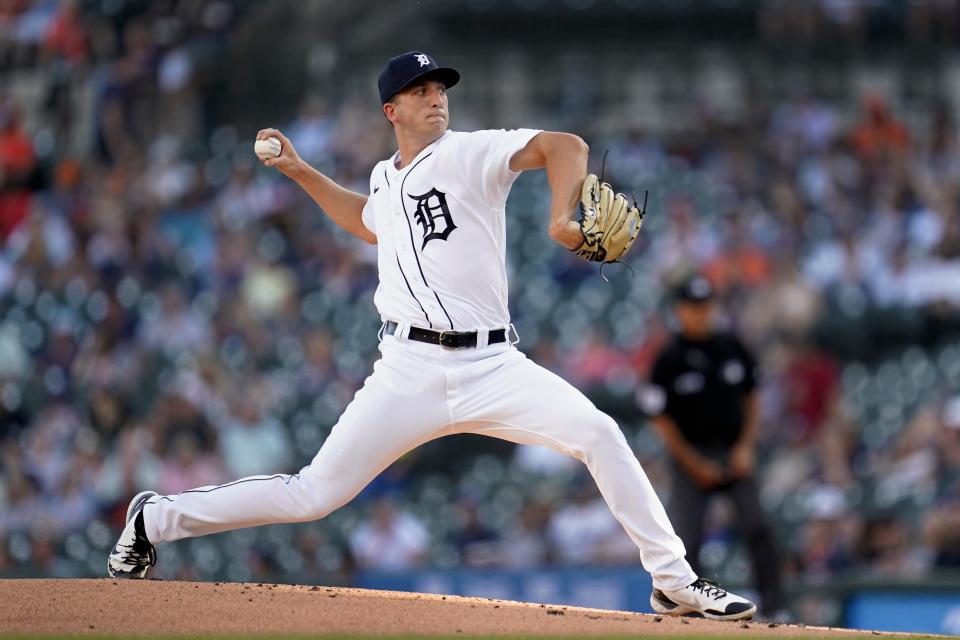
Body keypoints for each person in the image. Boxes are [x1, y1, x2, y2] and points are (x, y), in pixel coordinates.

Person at [108, 51, 756, 620]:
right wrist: (302, 173)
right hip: (407, 369)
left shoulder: (470, 153)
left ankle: (673, 582)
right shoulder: (386, 178)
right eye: (420, 92)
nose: (435, 99)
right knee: (311, 495)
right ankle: (153, 518)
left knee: (599, 433)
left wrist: (563, 215)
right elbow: (367, 223)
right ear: (391, 110)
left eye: (440, 89)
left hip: (494, 364)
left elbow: (564, 145)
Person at [639, 274, 786, 618]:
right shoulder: (669, 358)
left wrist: (746, 447)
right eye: (692, 307)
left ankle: (777, 608)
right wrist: (692, 463)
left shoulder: (732, 347)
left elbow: (752, 398)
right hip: (691, 457)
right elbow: (659, 418)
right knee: (687, 539)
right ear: (679, 310)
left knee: (758, 527)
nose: (699, 313)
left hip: (733, 452)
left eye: (705, 306)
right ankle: (689, 609)